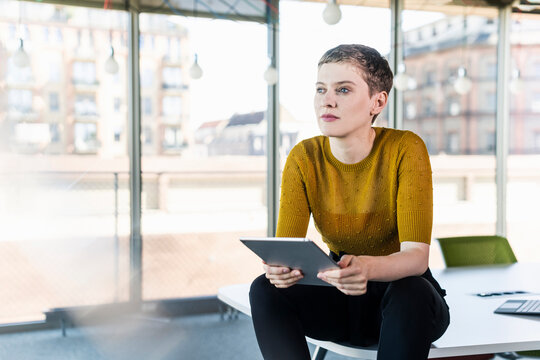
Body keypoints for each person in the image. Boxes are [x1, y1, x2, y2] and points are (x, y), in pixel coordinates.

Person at [248, 44, 450, 360]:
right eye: (320, 89)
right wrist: (280, 270)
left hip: (404, 302)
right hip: (339, 298)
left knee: (411, 291)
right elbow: (286, 247)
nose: (327, 100)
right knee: (264, 288)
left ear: (377, 101)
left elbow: (417, 258)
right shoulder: (303, 157)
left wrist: (368, 267)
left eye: (343, 89)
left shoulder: (405, 148)